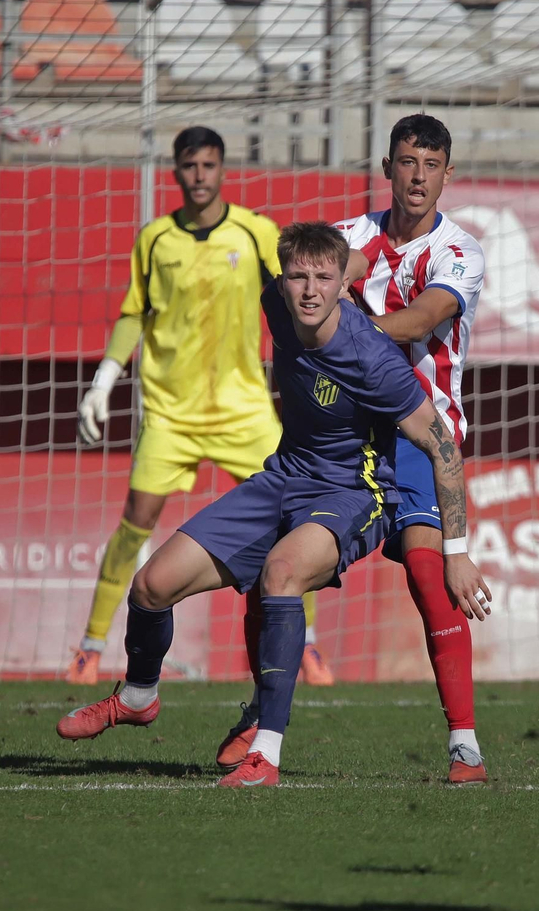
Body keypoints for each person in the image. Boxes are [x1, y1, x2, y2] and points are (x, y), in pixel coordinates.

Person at [57, 222, 492, 787]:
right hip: (283, 477)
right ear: (281, 282)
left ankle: (266, 754)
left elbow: (444, 448)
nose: (310, 290)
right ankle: (138, 695)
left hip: (353, 491)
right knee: (150, 586)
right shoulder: (278, 307)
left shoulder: (373, 358)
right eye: (298, 277)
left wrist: (457, 550)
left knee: (281, 574)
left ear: (342, 287)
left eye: (323, 278)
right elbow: (317, 264)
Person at [213, 114, 494, 786]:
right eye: (406, 162)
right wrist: (339, 279)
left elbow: (424, 319)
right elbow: (345, 265)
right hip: (338, 444)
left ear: (447, 174)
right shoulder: (351, 238)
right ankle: (261, 711)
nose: (418, 175)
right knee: (271, 571)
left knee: (432, 575)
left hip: (420, 438)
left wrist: (349, 332)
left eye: (430, 164)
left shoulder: (460, 252)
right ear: (388, 168)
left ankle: (464, 746)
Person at [69, 126, 332, 688]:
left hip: (244, 408)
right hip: (171, 413)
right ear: (176, 172)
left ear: (222, 170)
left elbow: (296, 298)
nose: (200, 176)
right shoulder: (156, 239)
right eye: (190, 166)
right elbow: (133, 312)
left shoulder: (256, 232)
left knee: (297, 515)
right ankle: (91, 645)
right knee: (136, 521)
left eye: (209, 165)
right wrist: (105, 378)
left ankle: (307, 646)